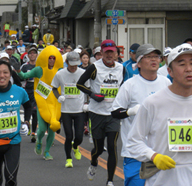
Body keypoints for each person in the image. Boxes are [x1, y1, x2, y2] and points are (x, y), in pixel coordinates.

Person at [126, 44, 192, 186]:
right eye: (181, 64)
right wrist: (154, 156)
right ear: (170, 71)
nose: (188, 69)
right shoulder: (153, 103)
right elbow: (133, 141)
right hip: (162, 178)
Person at [111, 44, 171, 186]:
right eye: (149, 57)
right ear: (138, 62)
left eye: (156, 56)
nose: (154, 60)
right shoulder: (130, 85)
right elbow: (114, 112)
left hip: (161, 150)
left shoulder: (166, 83)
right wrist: (129, 112)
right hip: (135, 152)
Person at [76, 39, 125, 186]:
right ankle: (94, 161)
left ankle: (110, 180)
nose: (109, 55)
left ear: (116, 53)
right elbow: (79, 84)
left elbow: (125, 87)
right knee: (98, 149)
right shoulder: (94, 68)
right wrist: (93, 95)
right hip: (96, 113)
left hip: (113, 114)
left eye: (112, 52)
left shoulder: (121, 68)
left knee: (112, 146)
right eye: (106, 52)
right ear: (101, 53)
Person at [52, 51, 88, 168]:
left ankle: (76, 146)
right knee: (68, 135)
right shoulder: (60, 74)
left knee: (79, 136)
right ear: (66, 62)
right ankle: (68, 159)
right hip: (66, 110)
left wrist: (87, 103)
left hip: (79, 109)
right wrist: (59, 97)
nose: (73, 68)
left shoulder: (83, 73)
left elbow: (88, 88)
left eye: (76, 65)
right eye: (71, 65)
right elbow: (54, 88)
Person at [20, 46, 39, 142]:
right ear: (28, 55)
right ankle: (27, 125)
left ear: (36, 55)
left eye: (34, 53)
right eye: (30, 53)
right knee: (29, 110)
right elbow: (19, 77)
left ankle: (33, 132)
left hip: (37, 91)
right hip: (27, 91)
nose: (32, 55)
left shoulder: (39, 66)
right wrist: (26, 77)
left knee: (35, 112)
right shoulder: (24, 66)